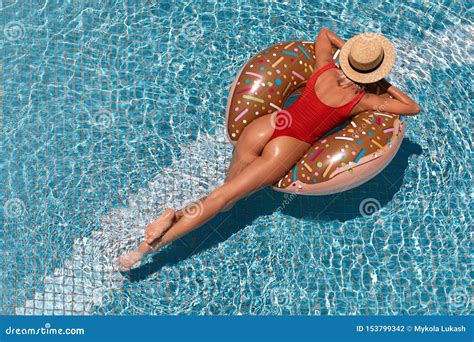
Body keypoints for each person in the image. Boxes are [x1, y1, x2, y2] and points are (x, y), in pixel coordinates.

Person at [117, 28, 421, 271]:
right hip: (287, 145)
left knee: (227, 197)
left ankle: (179, 213)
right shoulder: (363, 101)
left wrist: (347, 56)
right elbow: (411, 107)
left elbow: (325, 33)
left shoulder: (324, 69)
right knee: (225, 197)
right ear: (372, 74)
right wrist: (381, 81)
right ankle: (146, 249)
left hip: (265, 126)